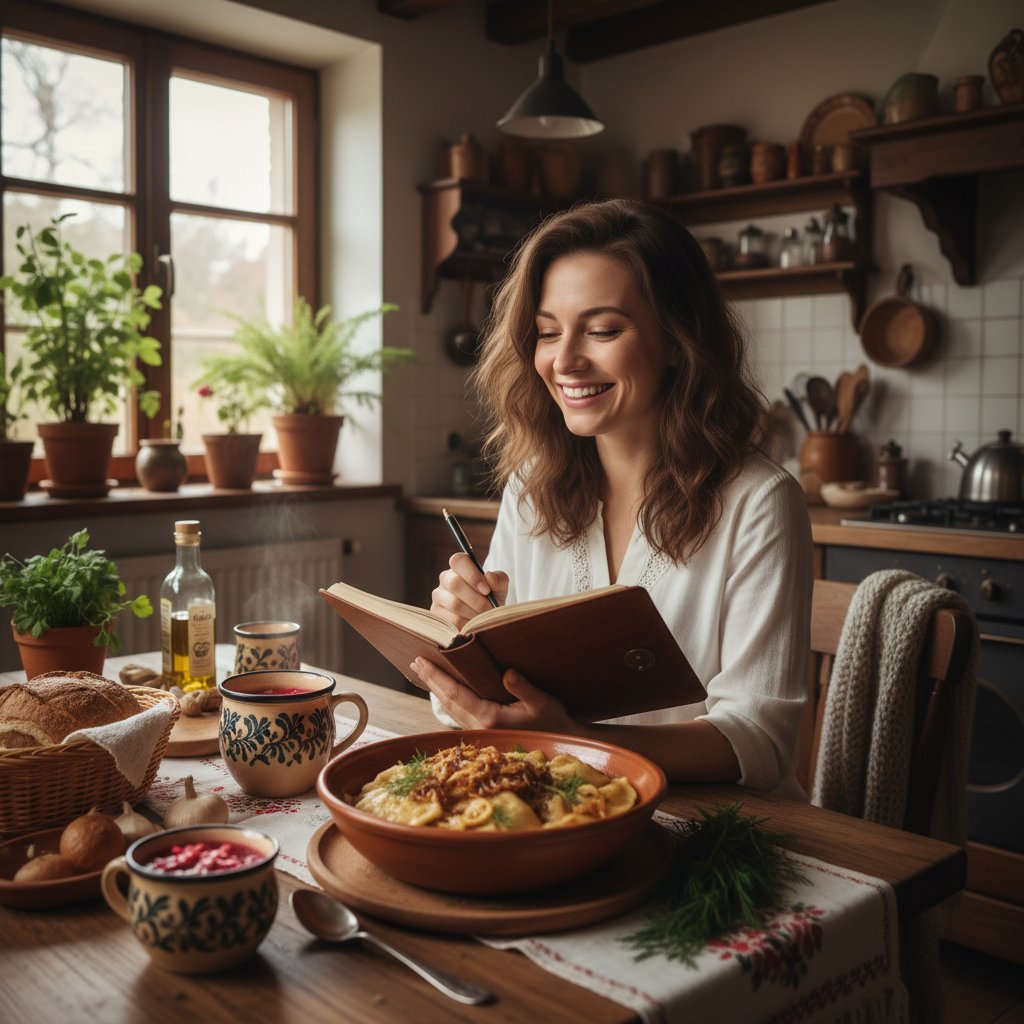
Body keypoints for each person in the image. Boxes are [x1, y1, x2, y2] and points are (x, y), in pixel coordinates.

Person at [411, 198, 813, 797]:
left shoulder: (760, 502)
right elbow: (500, 707)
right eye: (547, 332)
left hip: (715, 829)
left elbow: (758, 739)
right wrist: (465, 640)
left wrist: (572, 738)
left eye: (602, 330)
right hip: (562, 806)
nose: (565, 360)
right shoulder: (531, 487)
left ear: (678, 340)